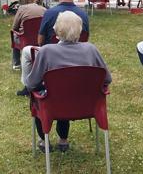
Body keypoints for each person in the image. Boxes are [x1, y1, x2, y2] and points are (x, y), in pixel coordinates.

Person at [24, 11, 111, 152]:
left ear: (57, 30)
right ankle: (63, 139)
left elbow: (32, 83)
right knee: (63, 91)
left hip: (55, 104)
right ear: (80, 29)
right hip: (87, 105)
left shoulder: (46, 51)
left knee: (48, 95)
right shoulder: (91, 49)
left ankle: (44, 141)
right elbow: (107, 78)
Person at [16, 0, 90, 96]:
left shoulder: (49, 13)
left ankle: (28, 87)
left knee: (26, 51)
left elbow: (40, 40)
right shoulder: (83, 15)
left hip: (51, 55)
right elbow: (85, 39)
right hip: (78, 54)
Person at [9, 0, 46, 69]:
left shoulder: (22, 9)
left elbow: (15, 27)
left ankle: (17, 63)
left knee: (14, 35)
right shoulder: (44, 10)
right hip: (41, 38)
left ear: (27, 0)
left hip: (25, 39)